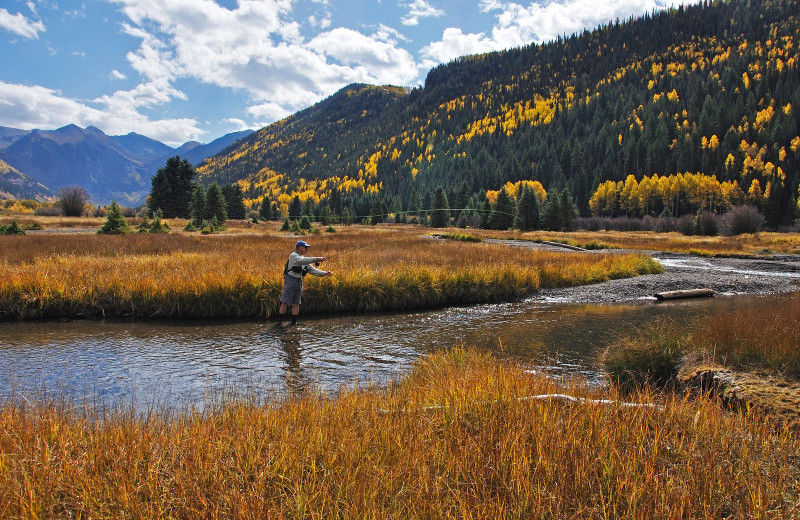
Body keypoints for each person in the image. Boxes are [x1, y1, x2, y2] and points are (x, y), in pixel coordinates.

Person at [279, 240, 332, 324]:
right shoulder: (293, 255)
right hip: (290, 280)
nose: (307, 249)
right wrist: (316, 259)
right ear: (300, 248)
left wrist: (325, 273)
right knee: (285, 301)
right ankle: (279, 322)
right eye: (306, 247)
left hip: (299, 281)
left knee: (297, 302)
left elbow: (313, 271)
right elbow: (301, 261)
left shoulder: (305, 260)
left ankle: (294, 323)